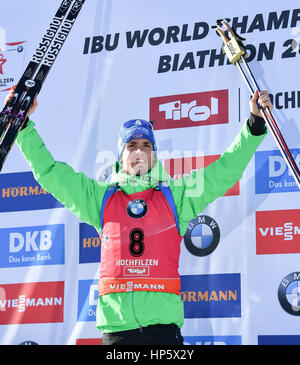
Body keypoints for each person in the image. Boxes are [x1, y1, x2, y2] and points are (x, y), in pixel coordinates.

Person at [5, 87, 272, 345]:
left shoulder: (176, 197)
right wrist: (23, 125)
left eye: (146, 145)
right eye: (132, 145)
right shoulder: (100, 199)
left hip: (162, 331)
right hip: (117, 332)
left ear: (154, 154)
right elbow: (50, 173)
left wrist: (254, 126)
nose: (140, 151)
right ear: (121, 155)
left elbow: (223, 172)